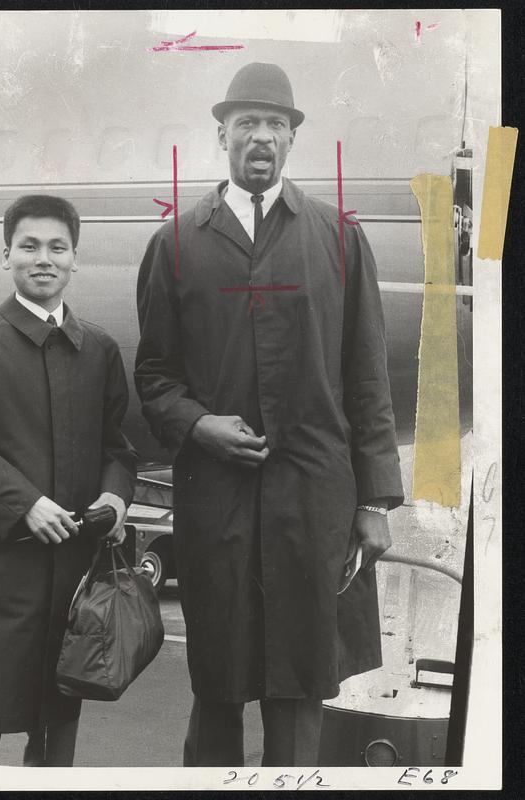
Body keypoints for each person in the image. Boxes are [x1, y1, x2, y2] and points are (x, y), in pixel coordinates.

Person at [135, 62, 404, 767]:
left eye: (276, 125)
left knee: (300, 682)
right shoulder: (176, 245)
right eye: (247, 123)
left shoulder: (339, 239)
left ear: (292, 140)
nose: (261, 137)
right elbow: (154, 377)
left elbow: (368, 378)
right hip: (215, 498)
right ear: (221, 134)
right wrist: (199, 425)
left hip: (313, 498)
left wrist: (375, 499)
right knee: (218, 683)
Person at [0, 194, 138, 766]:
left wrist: (115, 496)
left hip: (68, 588)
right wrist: (24, 504)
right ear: (7, 256)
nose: (44, 258)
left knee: (53, 750)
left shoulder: (99, 350)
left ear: (74, 260)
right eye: (30, 246)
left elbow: (116, 446)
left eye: (57, 247)